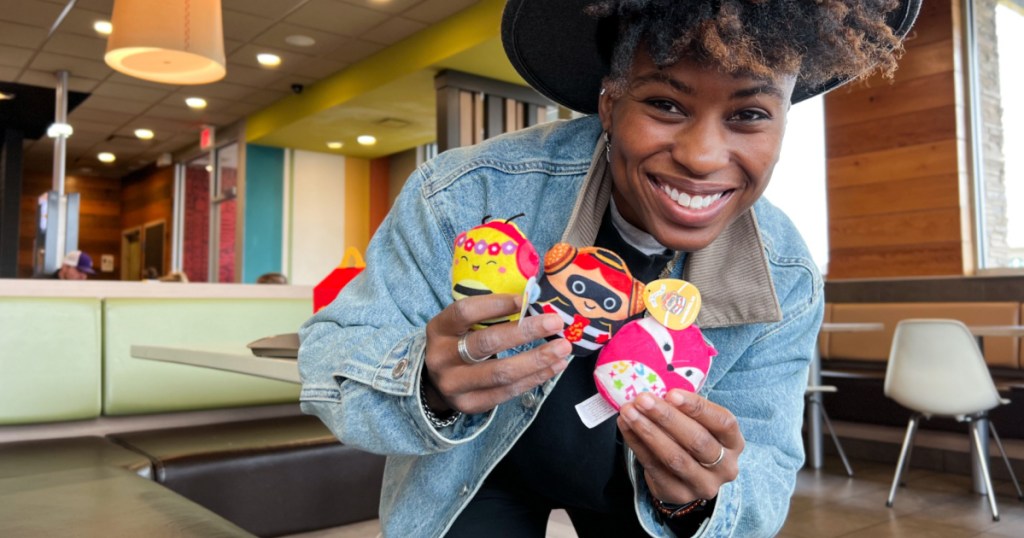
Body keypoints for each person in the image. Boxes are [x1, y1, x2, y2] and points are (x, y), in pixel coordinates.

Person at [298, 1, 920, 536]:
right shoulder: (467, 194)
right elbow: (331, 362)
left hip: (640, 497)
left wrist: (701, 497)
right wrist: (427, 385)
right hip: (470, 472)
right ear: (609, 103)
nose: (702, 157)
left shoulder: (785, 274)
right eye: (666, 104)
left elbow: (763, 475)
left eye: (749, 115)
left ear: (782, 124)